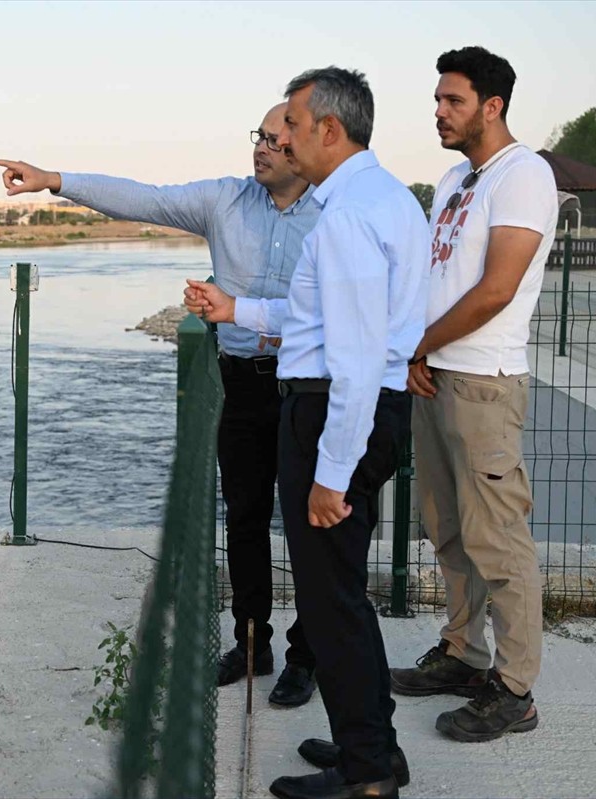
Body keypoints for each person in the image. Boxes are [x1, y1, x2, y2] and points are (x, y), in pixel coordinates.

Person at [0, 101, 321, 708]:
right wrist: (54, 181)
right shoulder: (224, 200)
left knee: (306, 523)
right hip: (242, 382)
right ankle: (253, 645)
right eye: (259, 137)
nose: (262, 148)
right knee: (245, 519)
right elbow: (140, 197)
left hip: (309, 386)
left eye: (277, 139)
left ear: (306, 143)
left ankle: (307, 654)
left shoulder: (335, 213)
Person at [186, 67, 428, 799]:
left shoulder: (349, 216)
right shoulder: (383, 200)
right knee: (342, 590)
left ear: (329, 127)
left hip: (334, 413)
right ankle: (375, 747)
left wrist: (330, 472)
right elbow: (324, 321)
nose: (281, 137)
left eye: (291, 122)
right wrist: (240, 311)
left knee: (331, 602)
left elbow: (352, 358)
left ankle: (367, 777)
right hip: (352, 408)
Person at [390, 46, 556, 744]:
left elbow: (497, 288)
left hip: (483, 382)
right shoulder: (455, 178)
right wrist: (415, 351)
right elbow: (436, 275)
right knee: (447, 527)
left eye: (451, 100)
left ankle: (515, 688)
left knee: (499, 539)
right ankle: (462, 653)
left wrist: (419, 345)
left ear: (492, 105)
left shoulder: (525, 176)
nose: (438, 111)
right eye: (437, 99)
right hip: (434, 376)